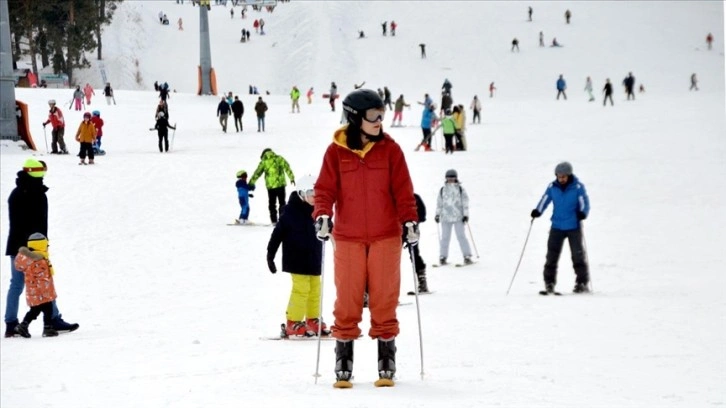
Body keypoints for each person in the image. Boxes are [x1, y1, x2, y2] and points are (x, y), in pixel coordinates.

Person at [313, 88, 418, 386]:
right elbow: (325, 190)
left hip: (386, 235)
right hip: (348, 237)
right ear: (355, 117)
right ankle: (343, 354)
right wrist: (322, 214)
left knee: (385, 296)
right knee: (347, 297)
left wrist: (409, 221)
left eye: (382, 115)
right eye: (373, 116)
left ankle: (386, 355)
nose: (379, 121)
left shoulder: (391, 150)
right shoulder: (336, 152)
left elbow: (403, 192)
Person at [4, 159, 79, 338]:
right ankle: (52, 319)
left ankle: (11, 323)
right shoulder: (33, 192)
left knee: (18, 284)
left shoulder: (18, 192)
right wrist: (38, 247)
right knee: (43, 281)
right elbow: (34, 223)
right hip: (33, 247)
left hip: (19, 246)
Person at [267, 175, 329, 337]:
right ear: (301, 193)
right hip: (296, 259)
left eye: (317, 193)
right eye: (310, 193)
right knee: (301, 289)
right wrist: (270, 255)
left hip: (314, 259)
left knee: (315, 290)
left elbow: (328, 230)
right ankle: (293, 322)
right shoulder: (290, 213)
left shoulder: (318, 213)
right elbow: (277, 234)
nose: (314, 197)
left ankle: (312, 319)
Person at [530, 162, 591, 294]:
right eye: (559, 176)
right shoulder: (552, 187)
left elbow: (584, 202)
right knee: (551, 255)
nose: (561, 179)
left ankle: (582, 283)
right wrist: (538, 211)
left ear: (569, 175)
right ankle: (549, 283)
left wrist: (583, 212)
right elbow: (545, 199)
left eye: (564, 176)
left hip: (573, 226)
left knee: (577, 255)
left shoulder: (577, 187)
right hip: (556, 226)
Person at [12, 233, 60, 338]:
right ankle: (47, 328)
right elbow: (42, 279)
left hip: (33, 291)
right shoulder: (39, 261)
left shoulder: (27, 259)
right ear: (41, 245)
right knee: (48, 309)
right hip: (42, 292)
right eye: (46, 245)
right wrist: (46, 293)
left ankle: (24, 325)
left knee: (35, 310)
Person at [435, 169, 474, 266]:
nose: (451, 179)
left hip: (458, 217)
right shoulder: (442, 190)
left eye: (452, 177)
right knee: (445, 238)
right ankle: (443, 257)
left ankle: (467, 256)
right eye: (449, 178)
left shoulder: (460, 189)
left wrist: (465, 215)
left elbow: (465, 202)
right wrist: (437, 214)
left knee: (461, 236)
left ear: (456, 178)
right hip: (445, 217)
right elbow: (439, 203)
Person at [249, 148, 295, 225]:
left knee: (272, 204)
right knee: (282, 203)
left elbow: (257, 173)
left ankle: (274, 220)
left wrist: (251, 183)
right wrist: (292, 178)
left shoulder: (264, 162)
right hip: (281, 185)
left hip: (271, 187)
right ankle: (282, 219)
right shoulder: (279, 158)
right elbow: (287, 167)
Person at [407, 193, 429, 293]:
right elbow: (422, 215)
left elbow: (422, 215)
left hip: (406, 230)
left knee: (414, 254)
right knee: (414, 254)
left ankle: (422, 282)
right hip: (412, 229)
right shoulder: (413, 196)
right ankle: (422, 281)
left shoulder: (413, 197)